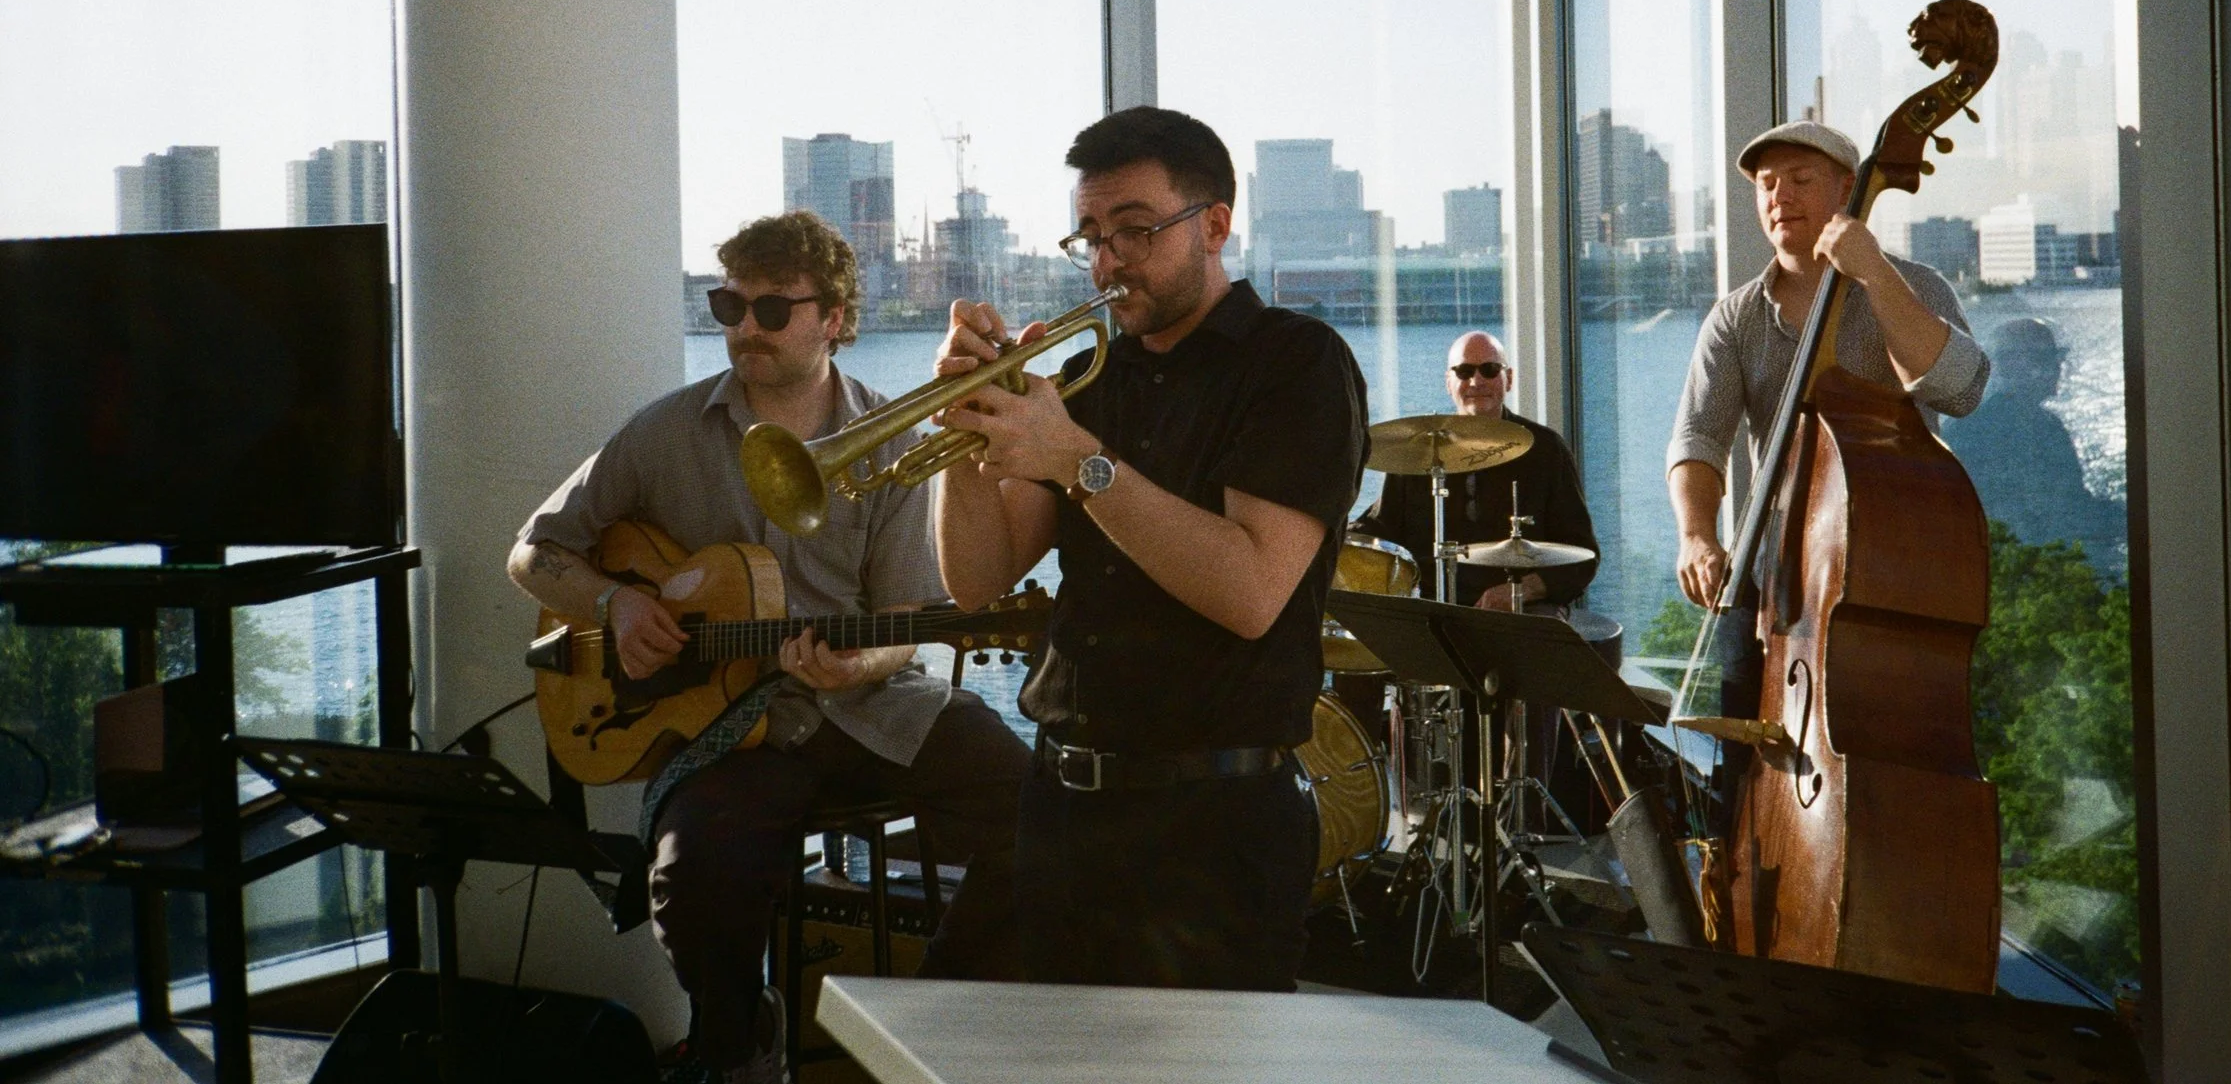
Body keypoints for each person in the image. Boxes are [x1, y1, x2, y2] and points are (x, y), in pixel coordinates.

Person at [506, 211, 1028, 1084]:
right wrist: (617, 602)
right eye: (729, 305)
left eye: (773, 309)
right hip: (736, 724)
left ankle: (923, 1026)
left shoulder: (894, 436)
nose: (746, 326)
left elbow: (904, 621)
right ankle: (740, 1047)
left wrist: (857, 662)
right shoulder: (664, 432)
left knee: (1038, 810)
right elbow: (532, 551)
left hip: (868, 706)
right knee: (691, 884)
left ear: (834, 319)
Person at [930, 106, 1370, 990]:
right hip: (1062, 806)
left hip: (1216, 826)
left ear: (1215, 224)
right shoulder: (1090, 379)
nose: (1108, 260)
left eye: (1135, 229)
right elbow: (974, 578)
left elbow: (1251, 589)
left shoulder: (1296, 364)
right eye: (1091, 235)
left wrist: (1077, 462)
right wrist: (966, 432)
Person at [1666, 122, 1991, 751]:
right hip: (1779, 586)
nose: (1779, 196)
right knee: (1743, 769)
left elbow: (1961, 389)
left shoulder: (1916, 286)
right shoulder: (1735, 318)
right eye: (1767, 184)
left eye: (1800, 179)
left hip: (1892, 579)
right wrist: (1697, 535)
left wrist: (1872, 272)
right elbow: (1698, 439)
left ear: (1847, 189)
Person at [1354, 330, 1598, 611]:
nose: (1476, 381)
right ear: (1448, 382)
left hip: (1523, 608)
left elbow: (1583, 557)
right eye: (1464, 371)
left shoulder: (1546, 449)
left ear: (1509, 379)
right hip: (1431, 606)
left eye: (1490, 370)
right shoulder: (1420, 447)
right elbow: (1379, 529)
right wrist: (1330, 534)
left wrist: (1521, 590)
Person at [1944, 317, 2126, 577]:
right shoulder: (1985, 432)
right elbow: (2047, 514)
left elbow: (2071, 505)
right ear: (2009, 365)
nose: (2057, 368)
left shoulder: (2042, 425)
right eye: (2045, 359)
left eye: (2054, 359)